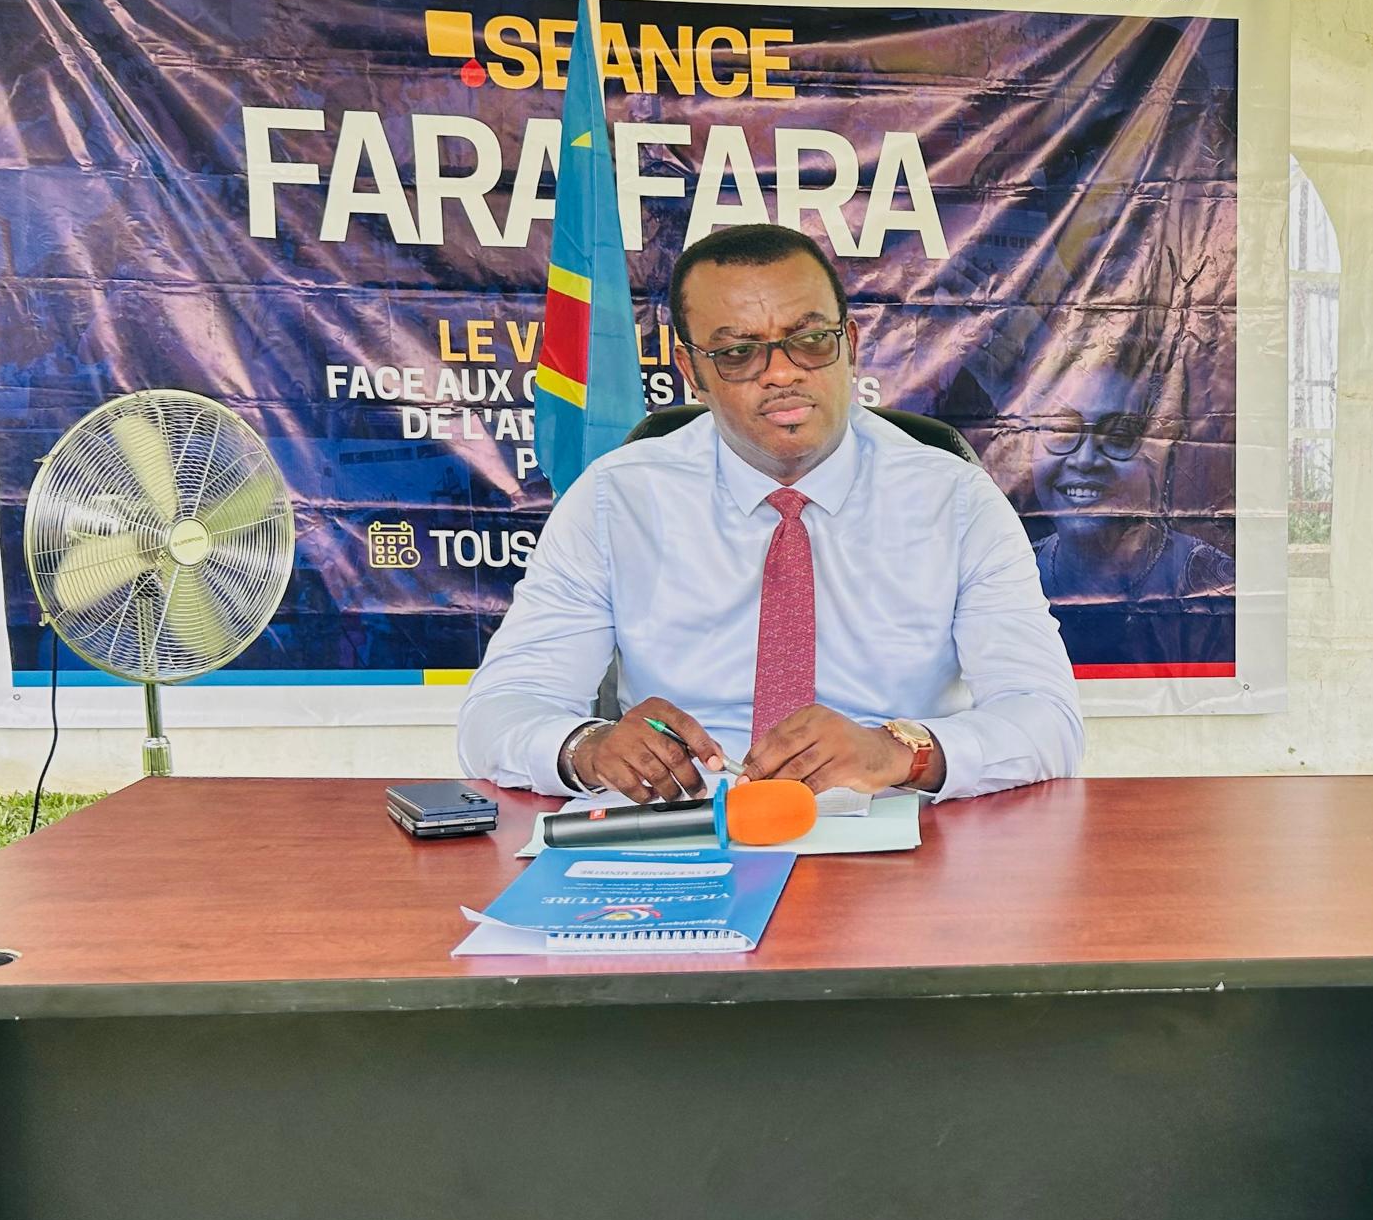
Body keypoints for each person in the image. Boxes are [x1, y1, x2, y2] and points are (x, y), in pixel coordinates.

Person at [456, 221, 1083, 803]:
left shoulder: (957, 502)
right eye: (737, 354)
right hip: (683, 830)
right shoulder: (614, 501)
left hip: (895, 835)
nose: (782, 373)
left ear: (851, 344)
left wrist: (901, 753)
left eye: (810, 341)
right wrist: (587, 749)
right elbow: (500, 711)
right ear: (691, 370)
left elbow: (1047, 720)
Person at [1019, 360, 1235, 670]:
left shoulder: (1214, 585)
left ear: (1160, 455)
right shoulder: (1006, 575)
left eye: (1119, 437)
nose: (1086, 459)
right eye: (1063, 430)